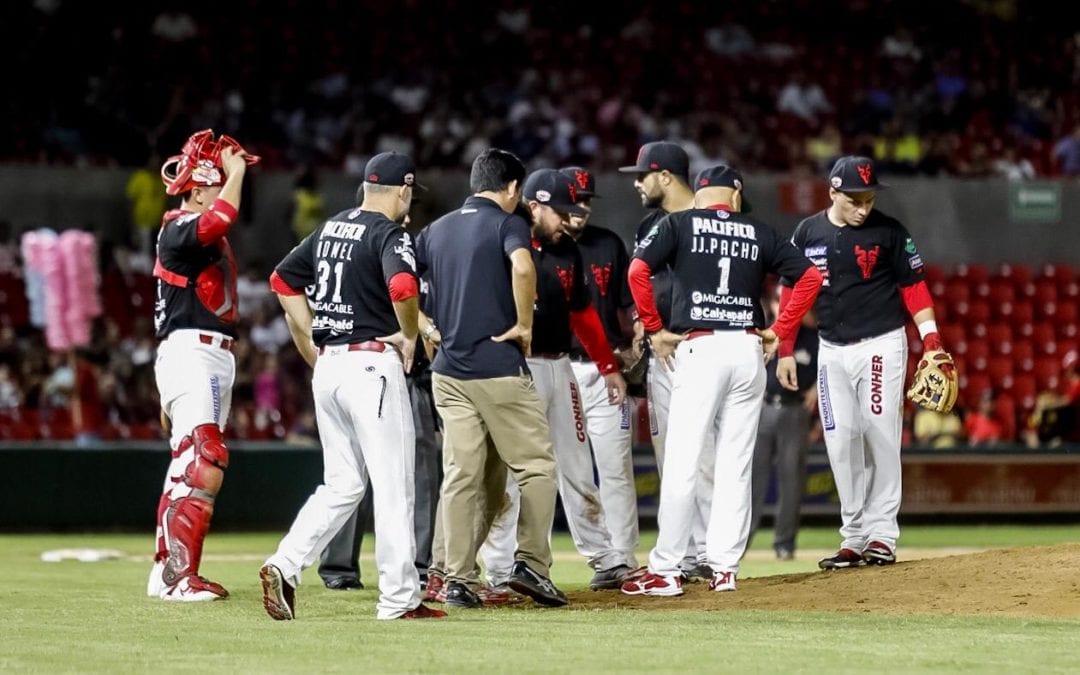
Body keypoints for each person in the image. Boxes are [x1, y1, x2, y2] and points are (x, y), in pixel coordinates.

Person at [259, 151, 445, 621]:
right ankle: (400, 599)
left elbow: (282, 280)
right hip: (371, 367)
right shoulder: (389, 233)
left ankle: (285, 562)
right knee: (394, 485)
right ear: (402, 190)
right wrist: (407, 334)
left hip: (331, 369)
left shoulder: (332, 226)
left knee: (342, 484)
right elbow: (403, 287)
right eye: (410, 193)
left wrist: (312, 336)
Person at [621, 165, 822, 597]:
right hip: (748, 350)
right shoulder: (759, 230)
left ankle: (668, 569)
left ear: (701, 195)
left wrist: (654, 330)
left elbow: (637, 271)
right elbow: (810, 277)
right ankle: (725, 568)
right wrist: (782, 329)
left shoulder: (678, 223)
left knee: (682, 461)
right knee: (735, 465)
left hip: (700, 346)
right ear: (734, 195)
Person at [414, 149, 566, 608]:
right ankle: (532, 566)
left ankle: (454, 578)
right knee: (537, 467)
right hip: (498, 369)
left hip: (448, 374)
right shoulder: (508, 223)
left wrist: (423, 326)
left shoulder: (435, 229)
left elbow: (397, 283)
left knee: (466, 476)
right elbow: (523, 266)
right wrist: (524, 324)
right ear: (514, 188)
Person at [786, 155, 951, 570]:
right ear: (833, 192)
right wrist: (785, 347)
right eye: (854, 200)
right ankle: (853, 537)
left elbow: (914, 287)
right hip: (830, 348)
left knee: (880, 434)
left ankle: (881, 535)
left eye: (869, 199)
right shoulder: (807, 232)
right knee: (840, 440)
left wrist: (931, 341)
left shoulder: (890, 232)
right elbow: (790, 294)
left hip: (881, 342)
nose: (863, 207)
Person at [478, 169, 630, 592]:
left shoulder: (567, 251)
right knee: (509, 472)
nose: (568, 220)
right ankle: (501, 570)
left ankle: (604, 558)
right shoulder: (505, 240)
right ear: (536, 205)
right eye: (561, 211)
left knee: (578, 464)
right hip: (514, 366)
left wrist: (607, 366)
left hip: (560, 367)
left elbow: (583, 314)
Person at [147, 129, 257, 601]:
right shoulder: (177, 226)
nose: (224, 193)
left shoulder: (185, 232)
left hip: (201, 352)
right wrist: (235, 174)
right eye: (215, 185)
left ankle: (165, 571)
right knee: (202, 459)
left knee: (187, 463)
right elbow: (219, 220)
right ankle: (177, 577)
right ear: (197, 189)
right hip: (194, 350)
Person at [618, 141, 711, 580]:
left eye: (642, 175)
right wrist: (643, 322)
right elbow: (644, 279)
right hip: (662, 354)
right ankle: (687, 554)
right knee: (670, 457)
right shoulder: (650, 224)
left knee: (707, 457)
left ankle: (714, 552)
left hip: (702, 348)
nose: (637, 183)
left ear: (666, 176)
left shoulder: (710, 219)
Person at [317, 282, 441, 592]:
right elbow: (283, 284)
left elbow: (284, 284)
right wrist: (421, 331)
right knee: (359, 476)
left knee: (413, 475)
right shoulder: (383, 250)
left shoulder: (415, 252)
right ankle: (341, 566)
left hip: (404, 374)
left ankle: (415, 564)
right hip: (374, 368)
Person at [557, 165, 640, 577]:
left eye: (586, 200)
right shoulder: (539, 249)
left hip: (606, 371)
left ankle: (623, 557)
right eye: (574, 199)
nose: (581, 208)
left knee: (616, 469)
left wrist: (640, 328)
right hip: (560, 369)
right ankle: (599, 557)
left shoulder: (608, 244)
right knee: (571, 473)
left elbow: (627, 303)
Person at [748, 298, 819, 561]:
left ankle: (784, 544)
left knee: (792, 481)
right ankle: (739, 542)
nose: (785, 308)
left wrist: (815, 391)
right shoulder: (765, 334)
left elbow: (826, 368)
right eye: (780, 303)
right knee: (752, 479)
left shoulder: (812, 337)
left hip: (795, 411)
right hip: (764, 408)